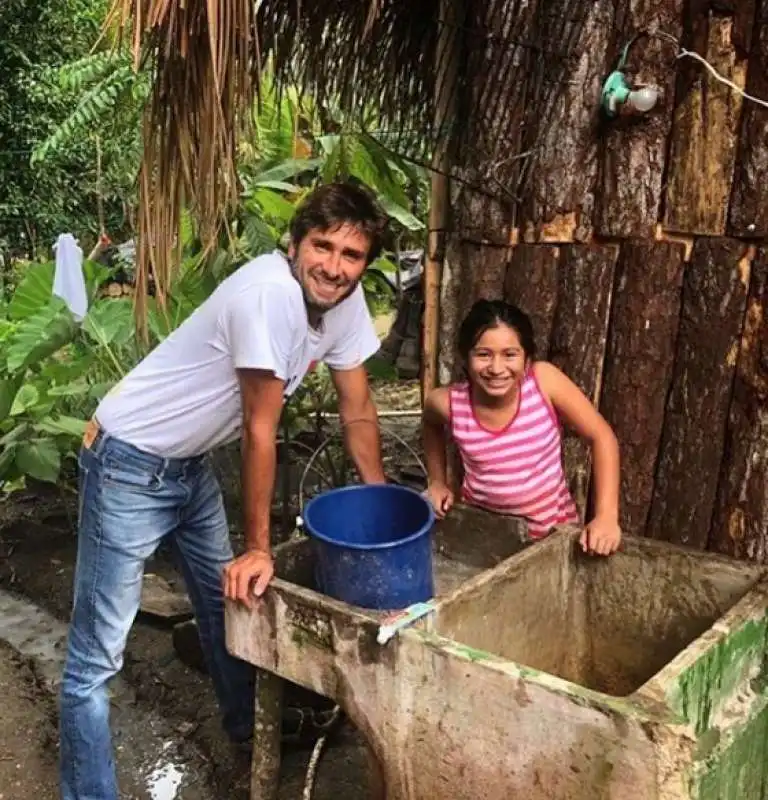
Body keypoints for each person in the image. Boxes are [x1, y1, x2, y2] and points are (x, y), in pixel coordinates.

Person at [59, 182, 389, 800]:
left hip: (186, 467)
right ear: (294, 244)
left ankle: (247, 728)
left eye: (352, 255)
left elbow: (358, 404)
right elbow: (259, 431)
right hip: (129, 460)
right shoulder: (268, 294)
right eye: (322, 247)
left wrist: (381, 502)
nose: (335, 266)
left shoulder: (342, 299)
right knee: (98, 654)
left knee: (227, 605)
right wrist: (258, 546)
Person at [422, 299, 621, 554]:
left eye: (510, 354)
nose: (496, 368)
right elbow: (430, 424)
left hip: (551, 539)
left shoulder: (543, 382)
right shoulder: (448, 403)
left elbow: (602, 436)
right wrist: (437, 480)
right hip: (483, 536)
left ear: (526, 359)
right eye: (483, 354)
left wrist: (606, 515)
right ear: (465, 357)